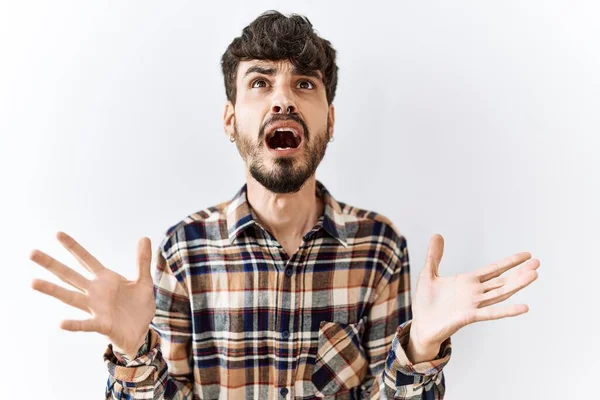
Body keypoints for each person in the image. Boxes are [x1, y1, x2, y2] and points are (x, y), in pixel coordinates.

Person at [29, 10, 540, 400]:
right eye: (260, 82)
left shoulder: (379, 247)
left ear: (330, 120)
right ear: (230, 120)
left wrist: (422, 347)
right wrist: (131, 350)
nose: (282, 99)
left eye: (303, 83)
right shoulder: (183, 251)